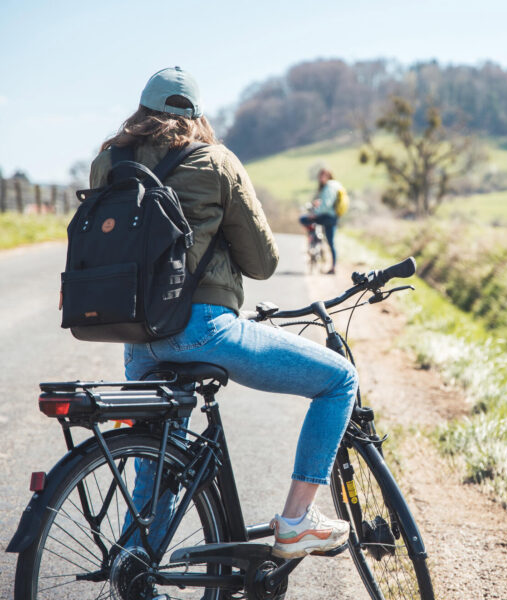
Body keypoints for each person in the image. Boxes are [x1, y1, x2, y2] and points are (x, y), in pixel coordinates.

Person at [89, 66, 357, 558]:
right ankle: (296, 520)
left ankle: (138, 570)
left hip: (136, 337)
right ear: (196, 115)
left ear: (142, 110)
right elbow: (263, 263)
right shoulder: (216, 162)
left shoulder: (109, 162)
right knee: (338, 380)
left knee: (157, 465)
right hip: (203, 329)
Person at [299, 169, 343, 274]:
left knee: (303, 219)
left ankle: (313, 238)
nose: (321, 178)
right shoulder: (335, 186)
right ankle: (333, 267)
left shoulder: (329, 187)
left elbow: (326, 204)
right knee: (331, 243)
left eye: (323, 176)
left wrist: (315, 213)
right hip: (333, 217)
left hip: (327, 216)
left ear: (328, 176)